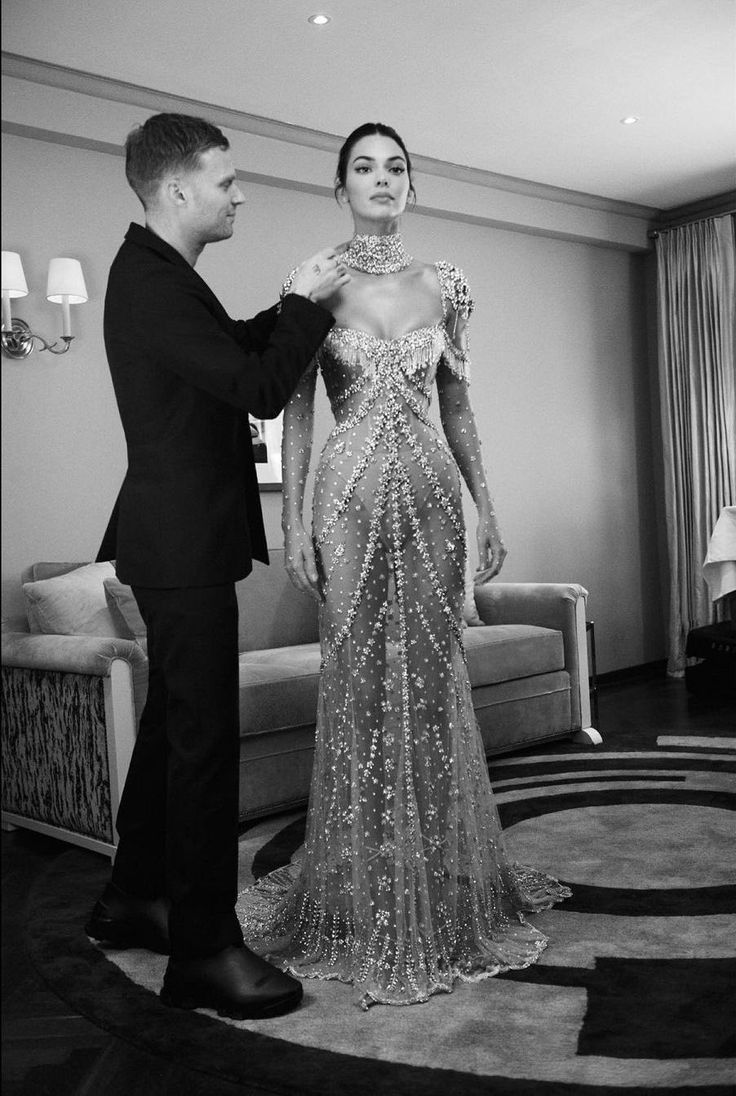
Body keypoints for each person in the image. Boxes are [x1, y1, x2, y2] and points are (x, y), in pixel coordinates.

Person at [237, 123, 570, 1008]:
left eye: (395, 168)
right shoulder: (314, 282)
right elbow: (298, 413)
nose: (380, 180)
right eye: (363, 168)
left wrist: (487, 503)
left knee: (430, 678)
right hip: (346, 500)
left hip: (430, 498)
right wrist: (298, 516)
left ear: (412, 188)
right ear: (339, 185)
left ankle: (444, 874)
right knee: (355, 677)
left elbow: (457, 397)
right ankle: (358, 885)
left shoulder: (446, 284)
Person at [85, 112, 350, 1020]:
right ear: (175, 190)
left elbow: (232, 349)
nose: (239, 194)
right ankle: (204, 950)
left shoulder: (158, 278)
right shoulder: (153, 285)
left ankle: (132, 898)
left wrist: (285, 303)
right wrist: (311, 308)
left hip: (174, 542)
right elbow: (260, 387)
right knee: (203, 748)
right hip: (181, 547)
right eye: (227, 181)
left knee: (170, 730)